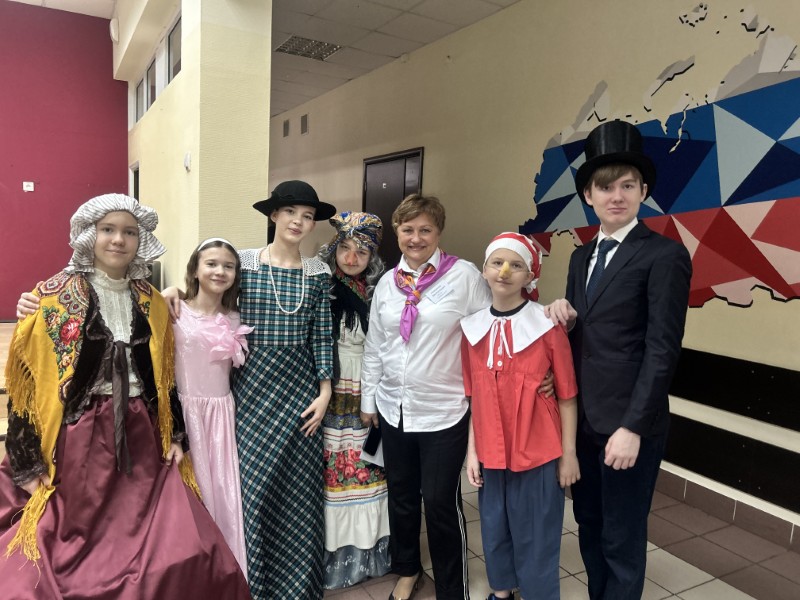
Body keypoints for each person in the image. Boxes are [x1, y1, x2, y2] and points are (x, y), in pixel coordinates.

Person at [0, 194, 251, 599]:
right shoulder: (51, 296)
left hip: (141, 434)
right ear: (90, 234)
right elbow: (26, 385)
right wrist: (27, 461)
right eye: (108, 230)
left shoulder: (151, 301)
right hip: (77, 441)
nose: (119, 240)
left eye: (129, 232)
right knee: (71, 553)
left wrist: (175, 434)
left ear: (140, 240)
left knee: (178, 543)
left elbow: (165, 377)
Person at [162, 180, 337, 600]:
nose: (298, 221)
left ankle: (296, 589)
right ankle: (251, 583)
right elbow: (209, 293)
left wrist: (325, 392)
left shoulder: (318, 273)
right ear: (274, 215)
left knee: (298, 494)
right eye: (290, 212)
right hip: (250, 392)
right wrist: (172, 292)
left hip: (300, 393)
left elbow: (322, 336)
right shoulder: (243, 263)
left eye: (307, 216)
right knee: (251, 493)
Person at [544, 120, 692, 599]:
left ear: (643, 192)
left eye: (628, 186)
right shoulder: (580, 258)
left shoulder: (664, 256)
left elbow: (662, 348)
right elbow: (585, 337)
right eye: (605, 187)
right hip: (583, 419)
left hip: (628, 424)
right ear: (589, 195)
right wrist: (564, 318)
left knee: (622, 536)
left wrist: (632, 427)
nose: (617, 196)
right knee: (589, 524)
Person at [360, 194, 493, 600]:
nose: (416, 238)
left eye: (425, 229)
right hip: (393, 408)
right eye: (408, 230)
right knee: (401, 495)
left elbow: (492, 332)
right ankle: (408, 570)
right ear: (397, 232)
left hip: (444, 411)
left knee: (439, 502)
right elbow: (375, 345)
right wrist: (369, 401)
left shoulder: (464, 277)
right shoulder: (387, 283)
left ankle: (452, 588)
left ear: (438, 232)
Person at [461, 232, 579, 600]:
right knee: (494, 527)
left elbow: (567, 396)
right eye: (497, 263)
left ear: (530, 276)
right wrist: (472, 452)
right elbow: (474, 398)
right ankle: (501, 593)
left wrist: (568, 455)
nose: (504, 271)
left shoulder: (547, 326)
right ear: (484, 270)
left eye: (516, 265)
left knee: (537, 533)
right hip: (491, 452)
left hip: (538, 450)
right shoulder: (471, 330)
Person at [317, 211, 391, 589]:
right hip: (330, 387)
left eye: (361, 252)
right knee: (334, 472)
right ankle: (334, 559)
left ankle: (371, 556)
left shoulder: (382, 291)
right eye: (344, 248)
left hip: (370, 386)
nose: (351, 258)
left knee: (370, 466)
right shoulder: (321, 286)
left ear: (372, 257)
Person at [173, 238, 252, 577]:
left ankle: (225, 574)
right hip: (184, 414)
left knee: (222, 491)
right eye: (211, 264)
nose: (220, 271)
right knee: (191, 495)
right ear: (195, 269)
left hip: (222, 417)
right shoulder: (174, 310)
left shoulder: (237, 317)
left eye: (228, 266)